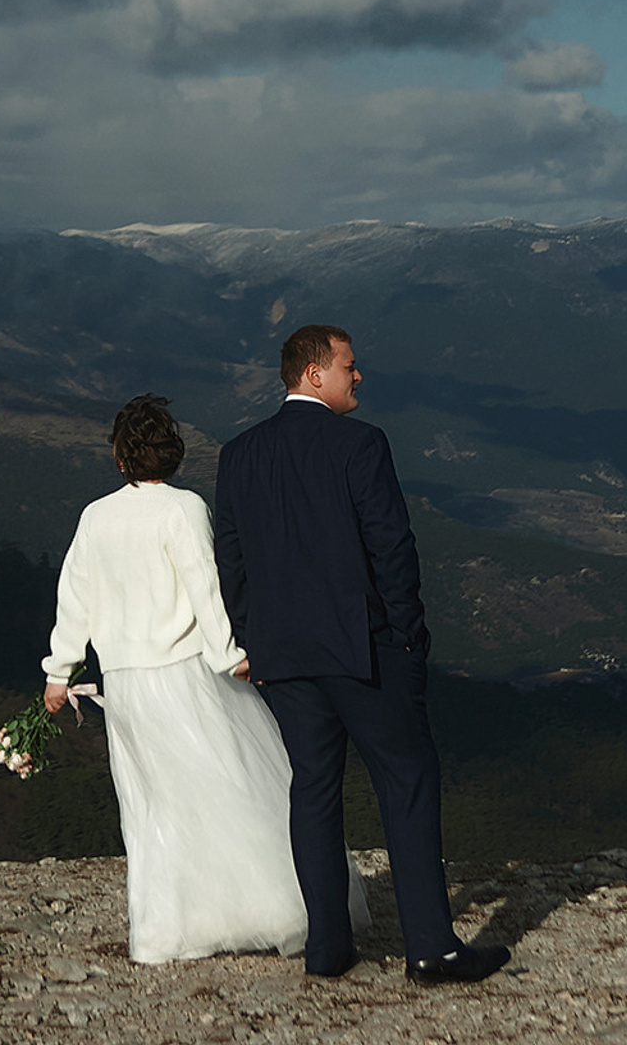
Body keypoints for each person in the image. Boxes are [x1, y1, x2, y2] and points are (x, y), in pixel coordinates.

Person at [212, 324, 510, 987]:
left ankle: (327, 948)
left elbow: (229, 561)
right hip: (363, 652)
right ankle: (431, 946)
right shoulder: (361, 445)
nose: (359, 376)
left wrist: (252, 639)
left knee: (313, 791)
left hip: (282, 657)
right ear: (314, 374)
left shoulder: (239, 455)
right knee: (406, 782)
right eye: (350, 366)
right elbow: (393, 551)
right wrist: (407, 638)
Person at [42, 393, 367, 965]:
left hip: (126, 685)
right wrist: (229, 654)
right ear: (170, 455)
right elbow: (206, 588)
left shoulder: (95, 516)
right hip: (187, 673)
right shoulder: (184, 508)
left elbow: (75, 598)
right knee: (233, 786)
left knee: (155, 805)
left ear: (120, 459)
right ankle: (280, 910)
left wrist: (59, 672)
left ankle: (169, 929)